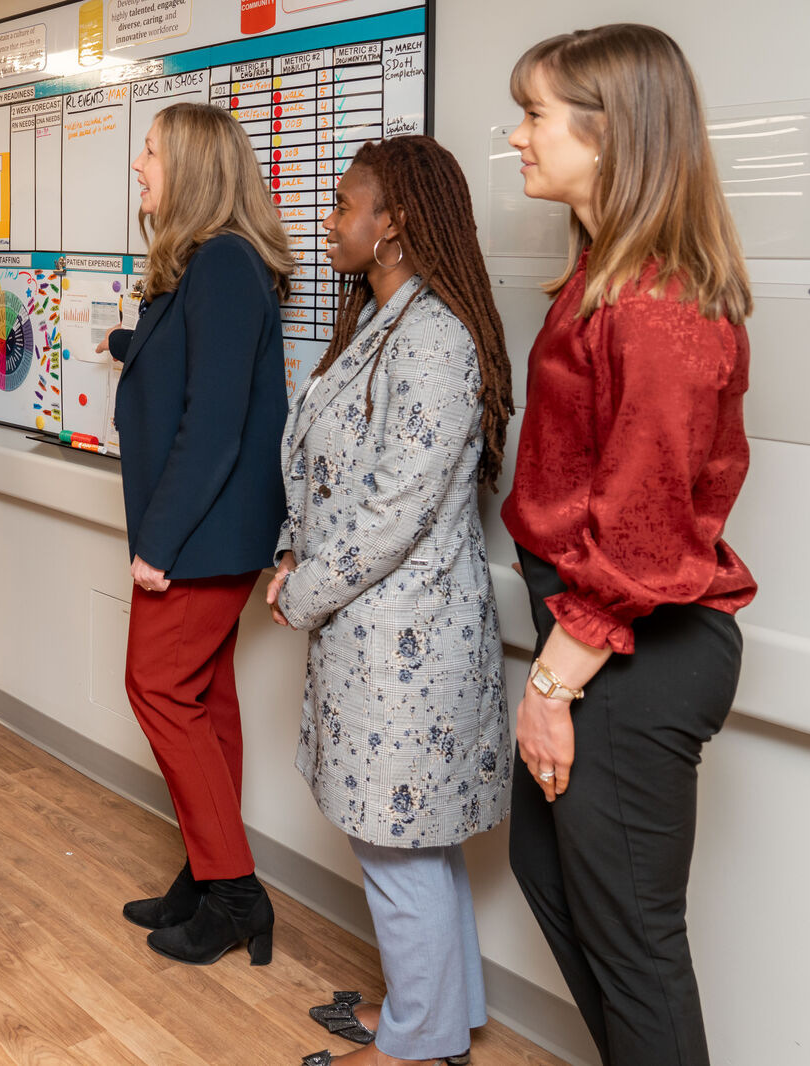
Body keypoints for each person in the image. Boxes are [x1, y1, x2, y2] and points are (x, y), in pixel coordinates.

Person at [501, 25, 754, 1065]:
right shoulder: (607, 279)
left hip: (630, 649)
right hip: (596, 639)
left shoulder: (655, 303)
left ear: (610, 134)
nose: (517, 136)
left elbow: (644, 532)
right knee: (551, 876)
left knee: (637, 948)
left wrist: (551, 687)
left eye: (534, 115)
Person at [266, 136, 514, 1066]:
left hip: (408, 637)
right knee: (411, 841)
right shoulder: (381, 321)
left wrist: (301, 589)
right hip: (371, 627)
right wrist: (290, 548)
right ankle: (445, 1013)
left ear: (395, 223)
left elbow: (392, 507)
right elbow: (324, 466)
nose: (328, 220)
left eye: (343, 205)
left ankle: (417, 1046)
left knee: (397, 843)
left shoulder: (436, 337)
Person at [97, 101, 291, 966]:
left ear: (193, 168)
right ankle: (208, 876)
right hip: (207, 530)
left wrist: (158, 544)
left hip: (201, 534)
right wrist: (125, 342)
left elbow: (212, 424)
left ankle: (236, 892)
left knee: (156, 688)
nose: (139, 166)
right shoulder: (204, 266)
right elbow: (186, 363)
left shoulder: (223, 265)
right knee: (205, 698)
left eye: (150, 152)